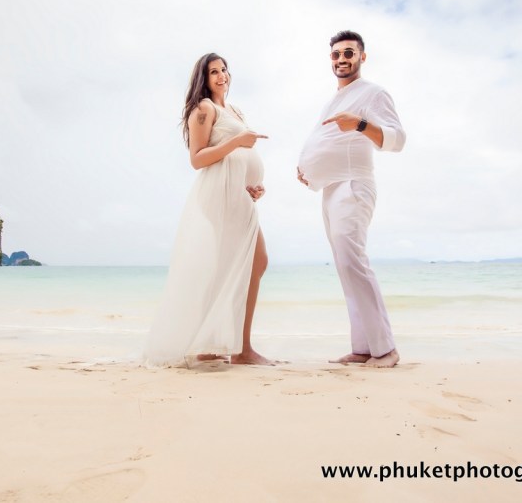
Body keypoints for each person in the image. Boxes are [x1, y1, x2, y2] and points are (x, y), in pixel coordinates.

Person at [143, 53, 272, 366]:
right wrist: (238, 141)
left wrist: (253, 185)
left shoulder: (234, 109)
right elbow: (198, 158)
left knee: (243, 265)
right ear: (204, 77)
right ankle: (239, 349)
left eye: (224, 69)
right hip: (219, 194)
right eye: (214, 71)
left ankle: (216, 344)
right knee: (251, 262)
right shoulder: (203, 108)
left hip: (237, 193)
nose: (221, 75)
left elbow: (237, 158)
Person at [297, 30, 406, 368]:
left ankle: (385, 349)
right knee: (345, 269)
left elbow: (397, 139)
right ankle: (363, 348)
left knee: (353, 262)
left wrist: (359, 124)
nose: (341, 59)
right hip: (331, 189)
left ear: (362, 56)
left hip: (353, 185)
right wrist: (308, 169)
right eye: (336, 55)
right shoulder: (334, 98)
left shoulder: (373, 94)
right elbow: (326, 139)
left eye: (348, 53)